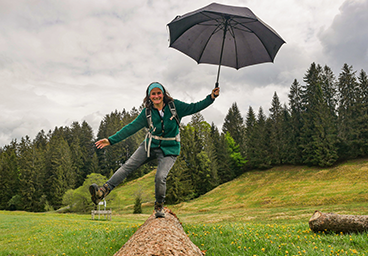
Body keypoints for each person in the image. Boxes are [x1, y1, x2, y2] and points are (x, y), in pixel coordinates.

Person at [90, 82, 220, 218]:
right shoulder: (147, 113)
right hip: (150, 146)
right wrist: (111, 140)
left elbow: (195, 107)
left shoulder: (176, 106)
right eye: (153, 94)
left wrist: (211, 97)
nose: (156, 96)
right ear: (149, 96)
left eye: (159, 93)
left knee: (160, 177)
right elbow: (130, 128)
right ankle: (102, 191)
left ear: (163, 94)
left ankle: (159, 206)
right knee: (127, 166)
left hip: (169, 150)